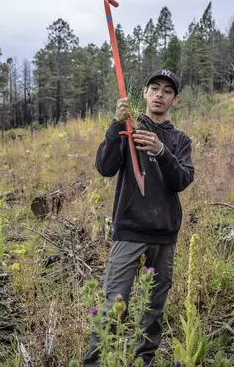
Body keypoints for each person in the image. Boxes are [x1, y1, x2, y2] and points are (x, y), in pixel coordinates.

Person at [84, 68, 195, 366]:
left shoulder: (179, 140)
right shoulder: (128, 128)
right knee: (113, 304)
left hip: (164, 235)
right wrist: (115, 124)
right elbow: (104, 168)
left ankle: (142, 361)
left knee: (153, 309)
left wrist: (161, 151)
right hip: (130, 230)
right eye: (154, 88)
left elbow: (182, 180)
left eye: (167, 90)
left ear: (175, 99)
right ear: (144, 93)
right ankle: (96, 361)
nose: (160, 94)